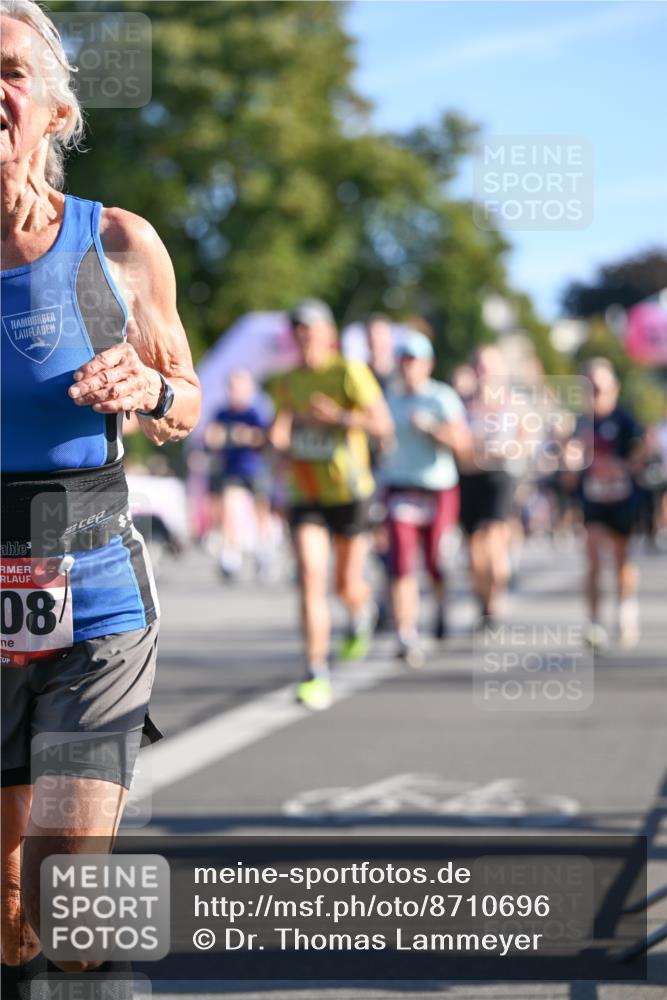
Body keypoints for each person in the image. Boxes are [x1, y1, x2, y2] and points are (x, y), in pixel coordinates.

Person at [0, 0, 201, 988]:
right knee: (7, 911)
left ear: (55, 108)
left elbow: (186, 400)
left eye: (9, 72)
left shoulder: (114, 241)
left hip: (96, 598)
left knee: (65, 899)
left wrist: (149, 387)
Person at [268, 299, 393, 709]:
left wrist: (338, 418)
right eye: (297, 331)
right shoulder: (288, 380)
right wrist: (278, 445)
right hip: (306, 491)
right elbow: (281, 428)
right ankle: (314, 670)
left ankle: (361, 611)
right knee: (309, 575)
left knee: (345, 585)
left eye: (310, 330)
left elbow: (383, 425)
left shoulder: (349, 372)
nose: (304, 337)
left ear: (328, 334)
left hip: (350, 493)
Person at [382, 333, 471, 666]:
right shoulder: (390, 398)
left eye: (414, 361)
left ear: (427, 364)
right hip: (400, 487)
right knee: (401, 560)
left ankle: (441, 603)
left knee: (435, 559)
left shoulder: (441, 397)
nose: (408, 368)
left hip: (437, 488)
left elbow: (463, 444)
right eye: (403, 361)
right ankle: (406, 633)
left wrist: (432, 429)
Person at [564, 358, 644, 648]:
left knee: (622, 561)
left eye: (599, 387)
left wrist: (619, 465)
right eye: (589, 388)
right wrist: (571, 462)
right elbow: (569, 470)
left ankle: (625, 610)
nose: (594, 394)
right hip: (593, 499)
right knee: (593, 559)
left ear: (613, 388)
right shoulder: (579, 423)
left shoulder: (626, 421)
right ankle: (594, 622)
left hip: (622, 499)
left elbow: (641, 456)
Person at [456, 346, 518, 624]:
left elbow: (524, 440)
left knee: (494, 544)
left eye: (490, 366)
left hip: (497, 476)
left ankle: (495, 598)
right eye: (480, 366)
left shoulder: (511, 403)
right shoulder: (462, 403)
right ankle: (483, 599)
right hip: (468, 477)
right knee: (474, 551)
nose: (485, 372)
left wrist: (506, 448)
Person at [204, 369, 272, 579]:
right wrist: (216, 437)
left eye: (240, 389)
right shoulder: (221, 413)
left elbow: (266, 438)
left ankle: (264, 549)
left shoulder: (256, 413)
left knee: (261, 510)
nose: (235, 393)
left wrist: (246, 436)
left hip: (255, 468)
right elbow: (210, 436)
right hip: (231, 469)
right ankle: (231, 551)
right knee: (229, 506)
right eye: (232, 389)